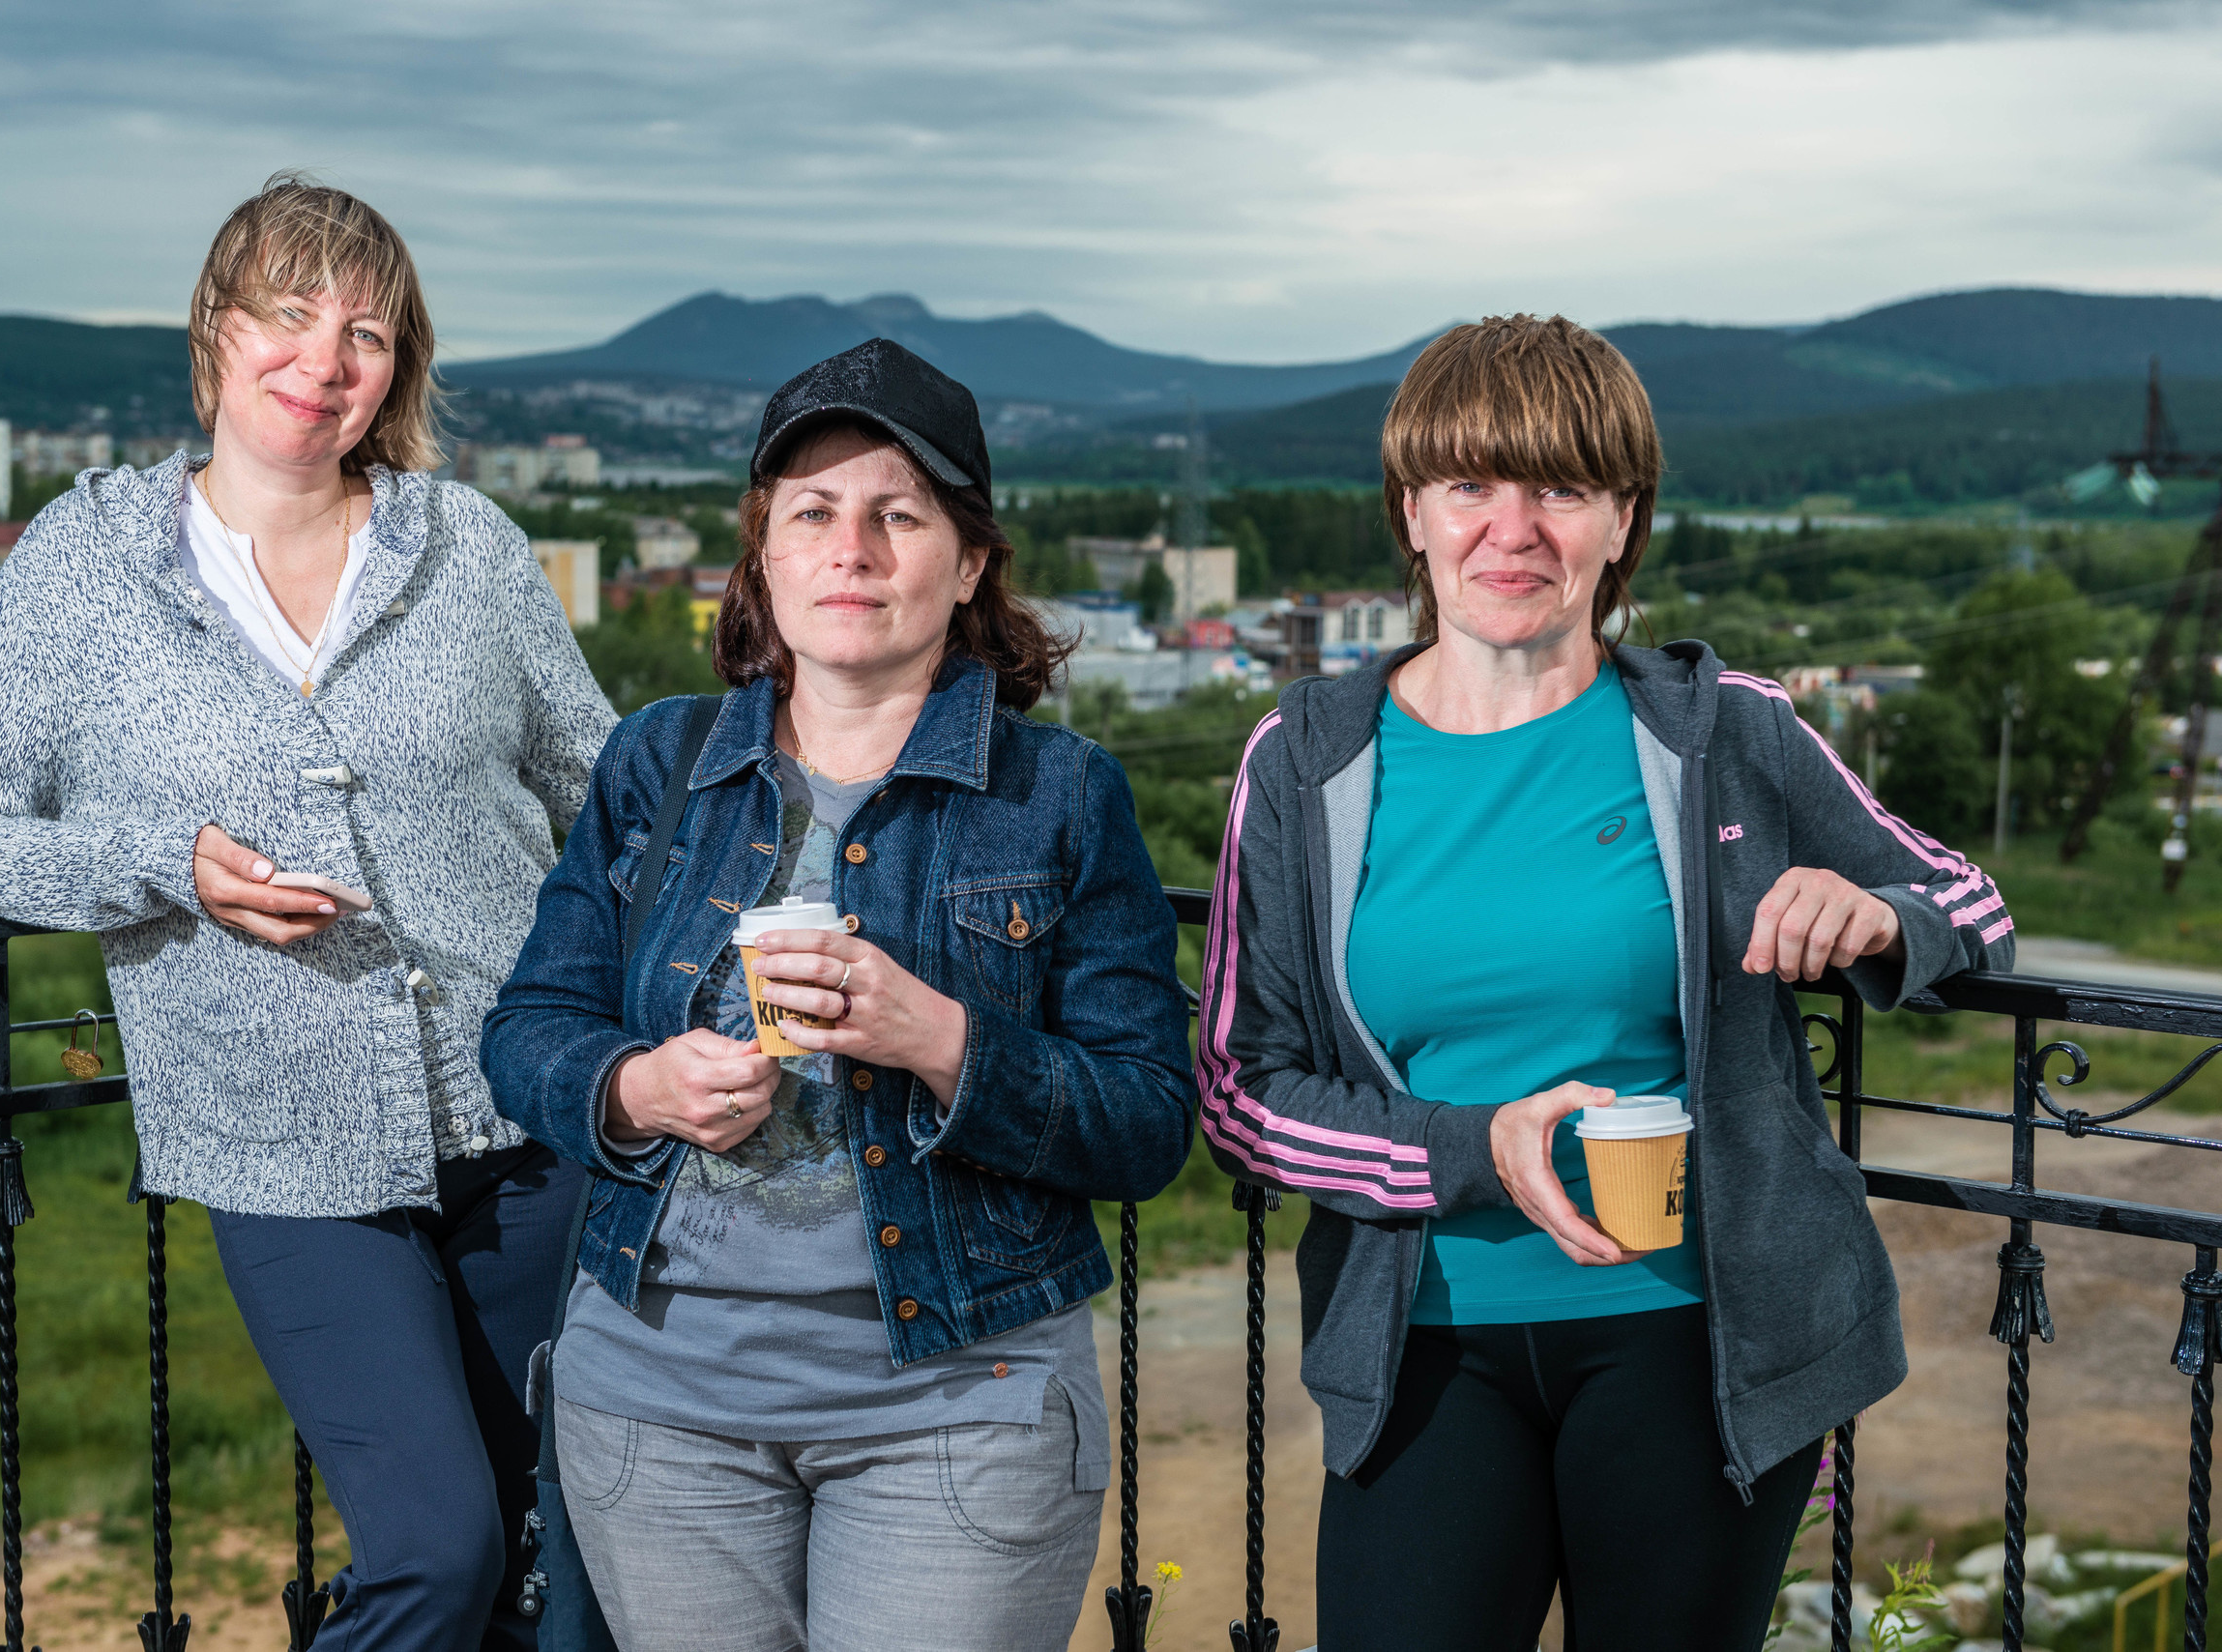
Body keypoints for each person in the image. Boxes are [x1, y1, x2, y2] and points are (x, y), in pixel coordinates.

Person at [1197, 313, 2014, 1651]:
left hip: (1699, 1347)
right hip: (1427, 1342)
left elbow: (1967, 897)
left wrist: (1874, 914)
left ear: (1623, 520)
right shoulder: (1303, 760)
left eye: (1562, 488)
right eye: (1471, 485)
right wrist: (1473, 1149)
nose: (1511, 530)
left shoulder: (1725, 730)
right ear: (1412, 512)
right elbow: (1238, 1094)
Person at [0, 173, 618, 1652]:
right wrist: (169, 861)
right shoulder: (84, 564)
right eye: (290, 316)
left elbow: (608, 785)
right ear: (218, 335)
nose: (324, 360)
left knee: (565, 1564)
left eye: (366, 331)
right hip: (285, 1159)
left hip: (534, 1130)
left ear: (396, 371)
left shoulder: (467, 547)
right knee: (437, 1551)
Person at [480, 337, 1194, 1652]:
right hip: (659, 1400)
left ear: (968, 562)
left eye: (897, 514)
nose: (850, 548)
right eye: (811, 512)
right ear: (765, 554)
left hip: (959, 1404)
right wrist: (638, 1088)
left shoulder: (1060, 794)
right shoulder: (661, 762)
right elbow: (528, 1031)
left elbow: (1150, 1119)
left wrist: (942, 1040)